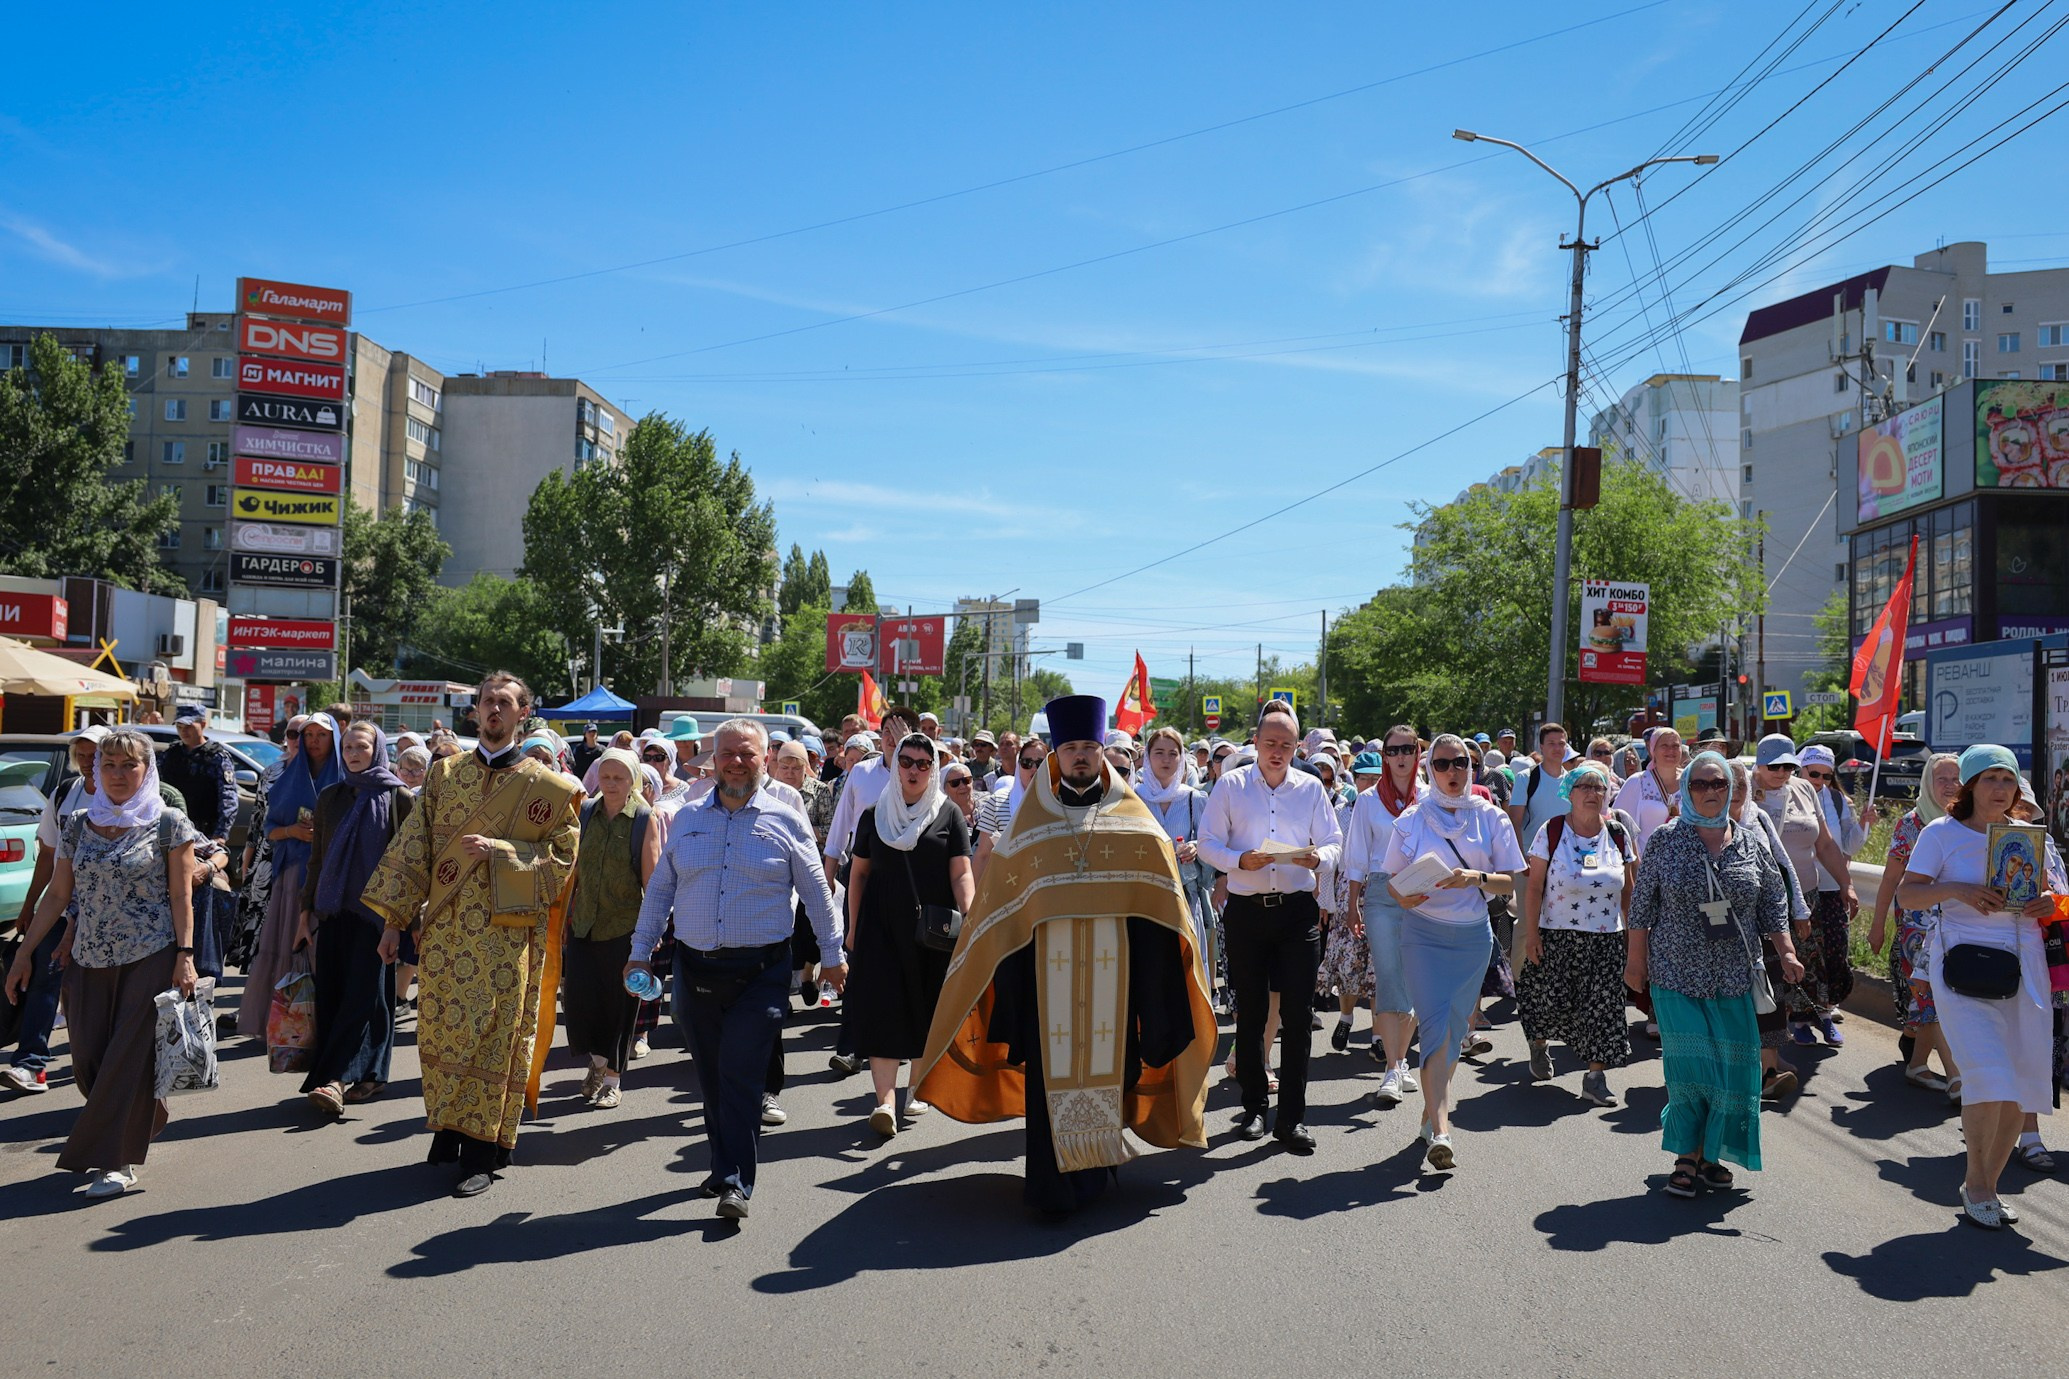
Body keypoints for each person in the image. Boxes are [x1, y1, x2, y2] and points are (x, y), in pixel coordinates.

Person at [914, 695, 1217, 1216]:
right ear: (1056, 753)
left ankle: (1096, 1172)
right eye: (1070, 747)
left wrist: (1155, 992)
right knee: (1046, 1083)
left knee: (1113, 1069)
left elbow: (1159, 914)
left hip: (1115, 984)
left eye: (1088, 748)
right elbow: (1001, 911)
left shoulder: (1137, 826)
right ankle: (1050, 1189)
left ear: (1103, 752)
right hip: (1043, 984)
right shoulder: (1028, 829)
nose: (1080, 756)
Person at [361, 672, 584, 1198]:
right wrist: (394, 922)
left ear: (522, 714)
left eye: (505, 704)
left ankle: (485, 1150)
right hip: (444, 932)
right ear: (475, 710)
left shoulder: (548, 788)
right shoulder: (444, 775)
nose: (494, 711)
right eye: (487, 702)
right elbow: (413, 849)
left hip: (507, 936)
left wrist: (503, 853)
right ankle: (450, 1129)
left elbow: (562, 860)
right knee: (443, 1031)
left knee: (495, 1037)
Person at [626, 719, 846, 1222]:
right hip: (695, 970)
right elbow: (661, 891)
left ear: (764, 760)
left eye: (748, 754)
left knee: (741, 1074)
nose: (737, 763)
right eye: (728, 754)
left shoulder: (786, 819)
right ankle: (723, 1162)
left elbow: (817, 893)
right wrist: (641, 950)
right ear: (713, 759)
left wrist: (833, 957)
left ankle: (734, 1181)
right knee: (712, 1077)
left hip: (761, 973)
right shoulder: (686, 819)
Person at [4, 730, 200, 1198]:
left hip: (150, 955)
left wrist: (185, 956)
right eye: (107, 764)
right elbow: (58, 895)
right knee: (89, 1058)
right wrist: (24, 952)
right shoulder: (76, 824)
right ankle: (143, 1113)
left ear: (146, 770)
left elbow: (181, 893)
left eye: (127, 765)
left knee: (124, 1058)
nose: (116, 774)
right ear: (94, 770)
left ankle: (115, 1162)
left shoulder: (168, 823)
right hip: (88, 957)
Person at [1895, 745, 2059, 1230]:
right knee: (1990, 1075)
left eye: (2007, 779)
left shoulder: (2027, 835)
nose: (2000, 789)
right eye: (1989, 779)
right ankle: (1978, 1183)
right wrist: (1957, 890)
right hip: (1962, 962)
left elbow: (2049, 891)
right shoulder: (1940, 833)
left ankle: (1987, 1180)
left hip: (2024, 963)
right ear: (1968, 785)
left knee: (2021, 1086)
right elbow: (1909, 891)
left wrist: (2046, 902)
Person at [1626, 752, 1800, 1199]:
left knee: (1730, 1072)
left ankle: (1712, 1154)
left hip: (1734, 976)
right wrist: (1635, 962)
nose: (1709, 792)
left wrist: (1787, 951)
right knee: (1691, 1069)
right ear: (1687, 790)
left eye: (1718, 784)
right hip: (1675, 973)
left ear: (1731, 790)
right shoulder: (1666, 841)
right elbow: (1641, 907)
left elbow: (1773, 906)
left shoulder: (1750, 843)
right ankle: (1686, 1155)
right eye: (1700, 784)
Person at [1198, 702, 1343, 1153]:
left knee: (1299, 1017)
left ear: (1297, 746)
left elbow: (1336, 841)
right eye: (1270, 742)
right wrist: (1239, 860)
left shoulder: (1310, 788)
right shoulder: (1231, 785)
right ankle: (1255, 1107)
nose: (1277, 751)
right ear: (1255, 742)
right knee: (1252, 1013)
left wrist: (1317, 858)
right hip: (1246, 910)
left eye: (1286, 744)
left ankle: (1293, 1120)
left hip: (1297, 910)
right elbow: (1207, 844)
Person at [1380, 733, 1524, 1169]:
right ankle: (1442, 1131)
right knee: (1436, 1027)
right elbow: (1392, 881)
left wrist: (1474, 877)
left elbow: (1510, 881)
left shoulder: (1491, 817)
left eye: (1459, 762)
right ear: (1430, 769)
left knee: (1453, 1033)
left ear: (1471, 765)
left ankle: (1430, 1111)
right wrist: (1405, 897)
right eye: (1442, 764)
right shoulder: (1413, 819)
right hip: (1423, 936)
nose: (1452, 772)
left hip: (1473, 939)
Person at [845, 732, 975, 1136]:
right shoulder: (872, 814)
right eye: (907, 761)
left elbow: (962, 872)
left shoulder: (948, 814)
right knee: (883, 1009)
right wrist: (852, 929)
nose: (915, 770)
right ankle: (884, 1100)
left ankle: (915, 1089)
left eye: (924, 763)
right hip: (880, 927)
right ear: (896, 765)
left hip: (933, 931)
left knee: (927, 1006)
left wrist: (970, 918)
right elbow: (858, 875)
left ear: (933, 769)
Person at [295, 720, 415, 1115]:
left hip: (378, 915)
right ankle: (372, 1074)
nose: (352, 753)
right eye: (347, 747)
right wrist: (304, 913)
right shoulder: (331, 796)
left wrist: (398, 920)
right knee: (344, 995)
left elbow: (409, 862)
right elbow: (317, 859)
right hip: (333, 910)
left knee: (362, 996)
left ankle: (332, 1079)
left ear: (378, 749)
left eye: (361, 746)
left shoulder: (398, 798)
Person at [1518, 760, 1635, 1107]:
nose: (1592, 793)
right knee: (1547, 1002)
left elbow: (1628, 890)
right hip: (1557, 934)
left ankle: (1595, 1078)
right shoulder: (1552, 830)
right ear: (1569, 793)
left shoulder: (1617, 833)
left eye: (1599, 787)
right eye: (1584, 786)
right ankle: (1539, 1044)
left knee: (1603, 1009)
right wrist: (1532, 935)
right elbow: (1534, 886)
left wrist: (1633, 937)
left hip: (1606, 939)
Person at [562, 748, 659, 1110]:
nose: (612, 784)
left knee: (619, 1008)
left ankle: (614, 1081)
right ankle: (598, 1064)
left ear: (633, 780)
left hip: (624, 928)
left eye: (620, 778)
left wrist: (651, 933)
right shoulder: (586, 812)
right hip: (584, 925)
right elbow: (571, 869)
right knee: (580, 1005)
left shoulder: (643, 819)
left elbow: (653, 880)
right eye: (606, 777)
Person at [1748, 734, 1858, 1049]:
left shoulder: (1804, 789)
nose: (1782, 773)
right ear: (1759, 763)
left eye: (1789, 766)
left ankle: (1807, 1017)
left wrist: (1845, 883)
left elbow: (1824, 843)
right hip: (1760, 897)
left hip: (1804, 895)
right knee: (1768, 963)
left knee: (1808, 959)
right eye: (1774, 766)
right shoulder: (1745, 792)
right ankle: (1767, 1029)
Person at [239, 714, 344, 1039]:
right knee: (286, 946)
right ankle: (283, 1026)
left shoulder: (346, 778)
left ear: (335, 738)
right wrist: (293, 831)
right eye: (306, 734)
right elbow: (268, 830)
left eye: (321, 734)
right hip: (291, 873)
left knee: (323, 950)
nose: (312, 740)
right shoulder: (286, 777)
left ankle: (323, 1028)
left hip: (331, 876)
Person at [1869, 752, 1962, 1093]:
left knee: (1936, 998)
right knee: (1934, 995)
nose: (1951, 786)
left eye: (1956, 779)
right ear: (1928, 783)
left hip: (1959, 927)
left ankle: (1917, 1060)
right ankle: (1956, 1078)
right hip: (1918, 930)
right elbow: (1890, 880)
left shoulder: (1969, 822)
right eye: (1943, 779)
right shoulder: (1912, 823)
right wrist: (1877, 925)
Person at [1342, 737, 1423, 1098]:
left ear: (1418, 754)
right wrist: (1351, 903)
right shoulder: (1368, 799)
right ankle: (1392, 1068)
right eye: (1394, 751)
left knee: (1415, 981)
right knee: (1389, 977)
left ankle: (1401, 1060)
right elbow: (1357, 853)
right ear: (1385, 756)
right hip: (1379, 891)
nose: (1401, 757)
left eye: (1408, 749)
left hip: (1424, 890)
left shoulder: (1430, 794)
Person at [1137, 727, 1217, 995]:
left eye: (1173, 753)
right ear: (1147, 757)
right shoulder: (1134, 799)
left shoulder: (1194, 798)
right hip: (1146, 902)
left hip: (1185, 898)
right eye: (1159, 752)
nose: (1166, 759)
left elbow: (1210, 849)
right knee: (1150, 974)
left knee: (1188, 974)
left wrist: (1196, 848)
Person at [1311, 752, 1372, 1054]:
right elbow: (1330, 861)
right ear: (1354, 779)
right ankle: (1346, 1017)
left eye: (1376, 777)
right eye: (1364, 777)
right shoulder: (1342, 812)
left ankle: (1379, 1038)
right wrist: (1324, 900)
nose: (1370, 783)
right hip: (1348, 892)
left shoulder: (1397, 811)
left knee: (1380, 966)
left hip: (1384, 893)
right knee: (1349, 963)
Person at [159, 706, 237, 854]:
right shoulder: (170, 755)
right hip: (170, 830)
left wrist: (220, 834)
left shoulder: (217, 757)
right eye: (179, 726)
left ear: (203, 724)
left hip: (204, 833)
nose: (183, 731)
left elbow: (228, 799)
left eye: (189, 726)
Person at [972, 737, 1047, 884]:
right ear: (1019, 766)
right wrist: (973, 903)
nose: (1033, 768)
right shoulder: (998, 801)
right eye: (1027, 763)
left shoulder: (1060, 803)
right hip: (1005, 888)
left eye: (1040, 763)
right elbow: (982, 855)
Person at [1612, 727, 1685, 852]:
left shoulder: (1691, 781)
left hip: (1685, 864)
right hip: (1647, 864)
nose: (1670, 750)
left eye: (1675, 746)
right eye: (1664, 745)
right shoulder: (1637, 782)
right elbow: (1619, 826)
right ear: (1653, 750)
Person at [1507, 721, 1572, 847]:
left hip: (1565, 857)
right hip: (1531, 855)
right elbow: (1514, 822)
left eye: (1561, 744)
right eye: (1551, 743)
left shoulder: (1573, 781)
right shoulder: (1525, 778)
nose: (1557, 748)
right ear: (1541, 746)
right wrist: (1521, 859)